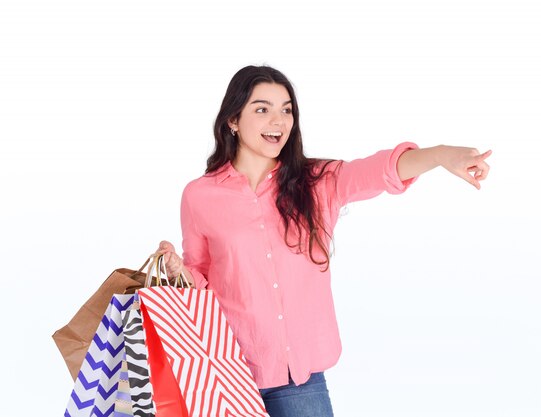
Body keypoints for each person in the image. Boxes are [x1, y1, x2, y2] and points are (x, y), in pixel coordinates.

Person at [155, 65, 492, 417]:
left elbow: (378, 170)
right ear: (233, 121)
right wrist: (179, 269)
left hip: (299, 379)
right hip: (225, 375)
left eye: (286, 110)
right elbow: (200, 278)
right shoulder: (199, 195)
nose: (278, 120)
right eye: (262, 109)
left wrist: (439, 156)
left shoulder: (317, 182)